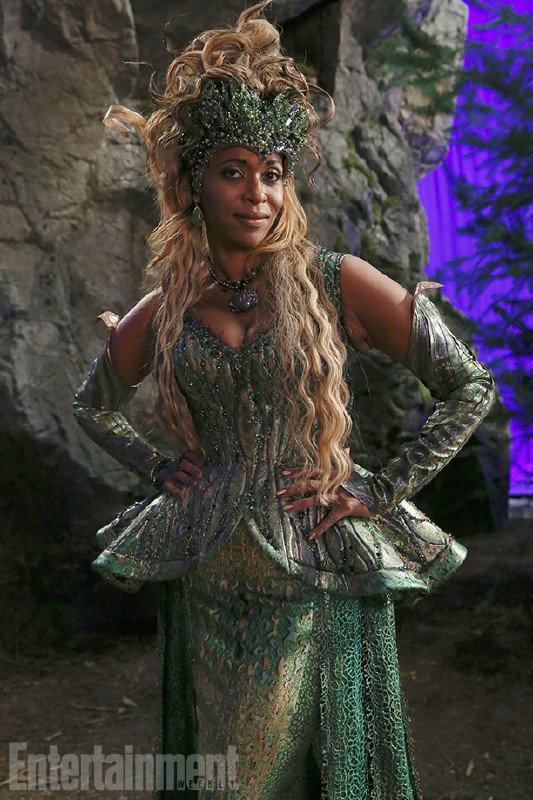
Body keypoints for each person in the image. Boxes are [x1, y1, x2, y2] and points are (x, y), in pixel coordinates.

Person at [73, 3, 495, 798]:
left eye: (272, 172)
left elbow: (469, 385)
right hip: (205, 572)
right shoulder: (167, 306)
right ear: (193, 184)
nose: (257, 192)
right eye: (233, 171)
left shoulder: (336, 282)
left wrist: (379, 489)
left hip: (307, 569)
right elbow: (90, 404)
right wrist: (157, 467)